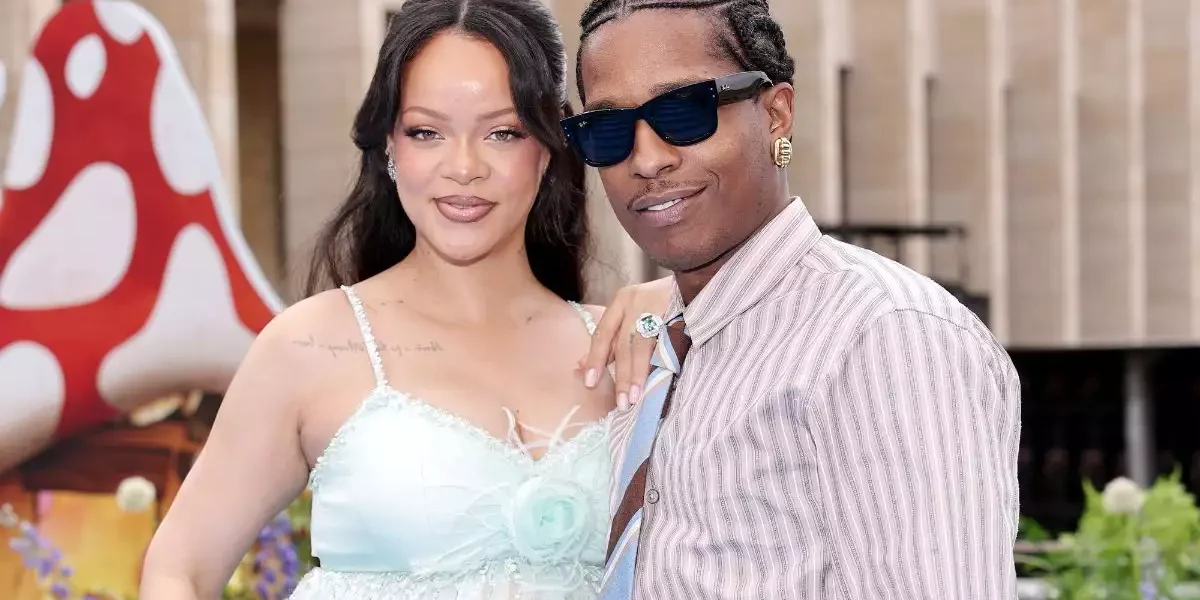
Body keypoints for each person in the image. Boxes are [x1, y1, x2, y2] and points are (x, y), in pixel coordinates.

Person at [139, 0, 667, 598]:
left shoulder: (624, 341)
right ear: (390, 145)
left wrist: (684, 301)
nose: (463, 167)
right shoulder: (310, 346)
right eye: (426, 132)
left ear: (546, 149)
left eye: (502, 132)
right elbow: (179, 568)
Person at [571, 1, 1023, 598]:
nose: (648, 159)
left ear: (776, 114)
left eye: (684, 112)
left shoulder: (885, 337)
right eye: (608, 130)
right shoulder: (662, 342)